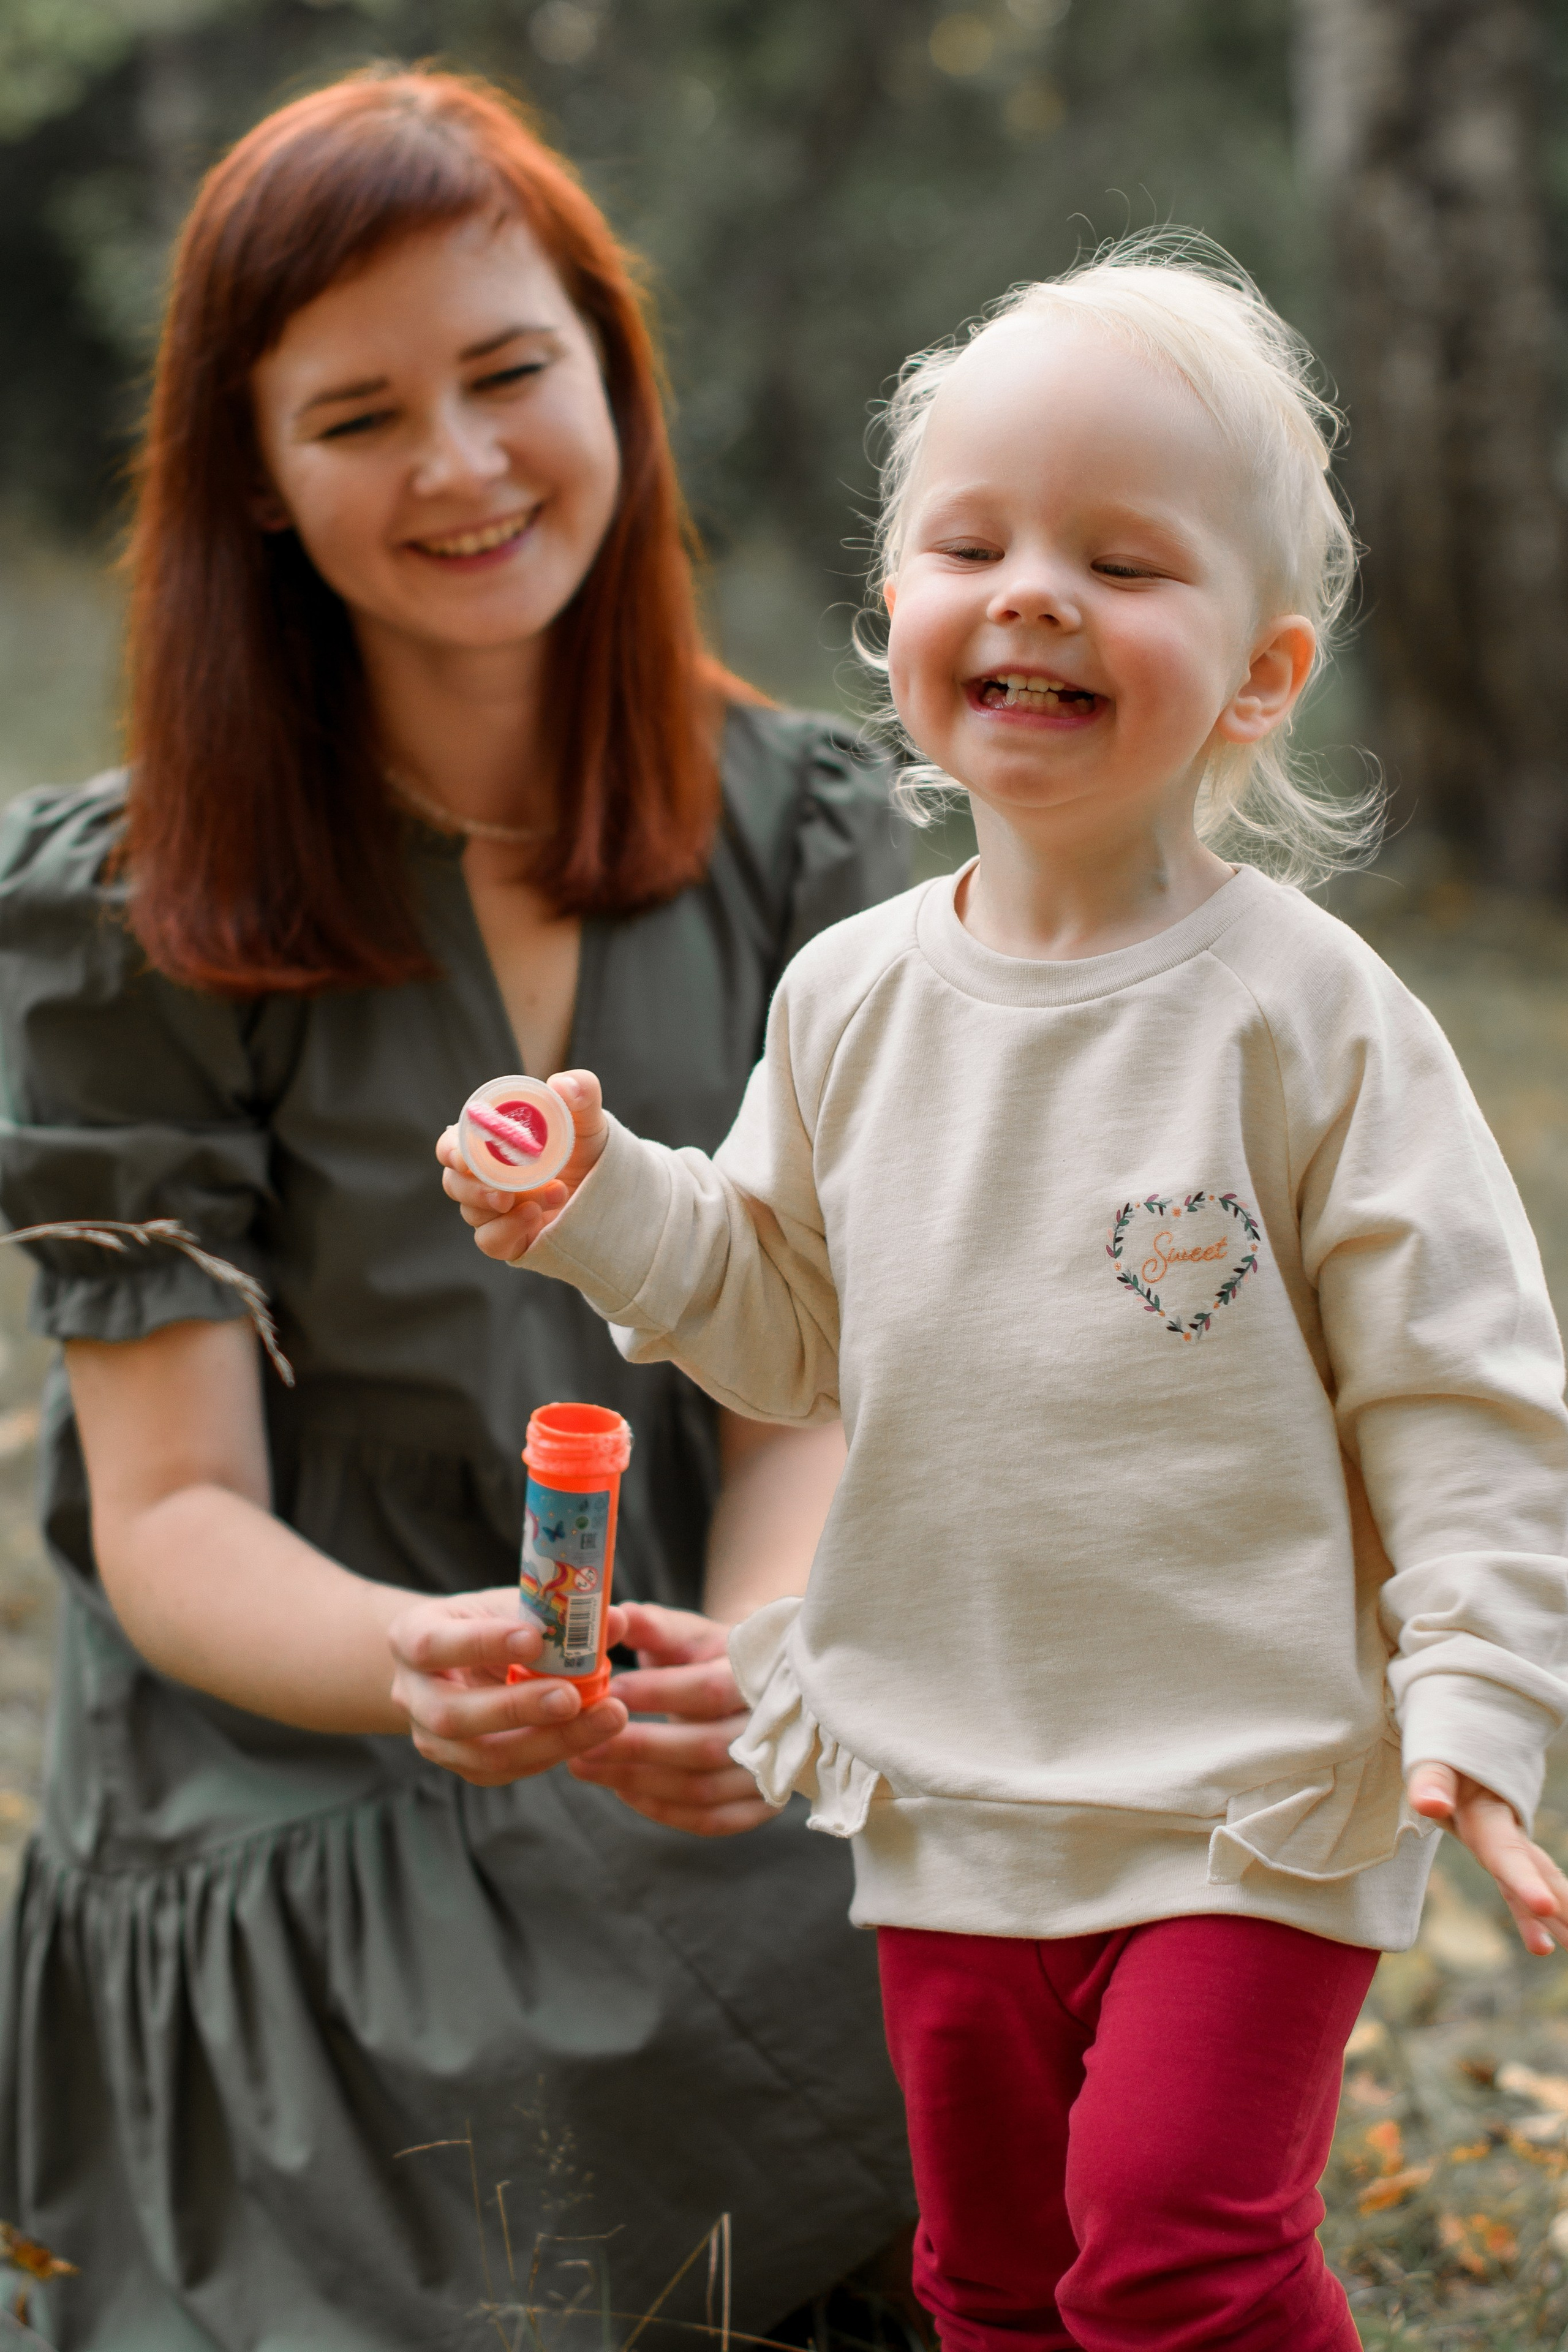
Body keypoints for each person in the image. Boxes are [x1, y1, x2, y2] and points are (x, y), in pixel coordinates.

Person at [440, 237, 1568, 2352]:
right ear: (898, 622)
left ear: (1261, 672)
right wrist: (603, 1201)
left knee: (1179, 2254)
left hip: (1250, 1788)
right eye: (974, 543)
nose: (1034, 590)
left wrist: (1483, 1695)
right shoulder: (854, 995)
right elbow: (782, 1319)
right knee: (999, 2277)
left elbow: (1462, 1391)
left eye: (1124, 562)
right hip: (955, 1775)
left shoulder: (1305, 1020)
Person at [0, 67, 914, 2352]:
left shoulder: (809, 832)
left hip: (719, 1710)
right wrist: (425, 1667)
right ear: (258, 486)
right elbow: (175, 1512)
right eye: (360, 415)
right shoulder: (132, 912)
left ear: (613, 371)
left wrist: (771, 1663)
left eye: (512, 373)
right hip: (312, 1756)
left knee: (1083, 1900)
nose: (463, 464)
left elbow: (805, 1374)